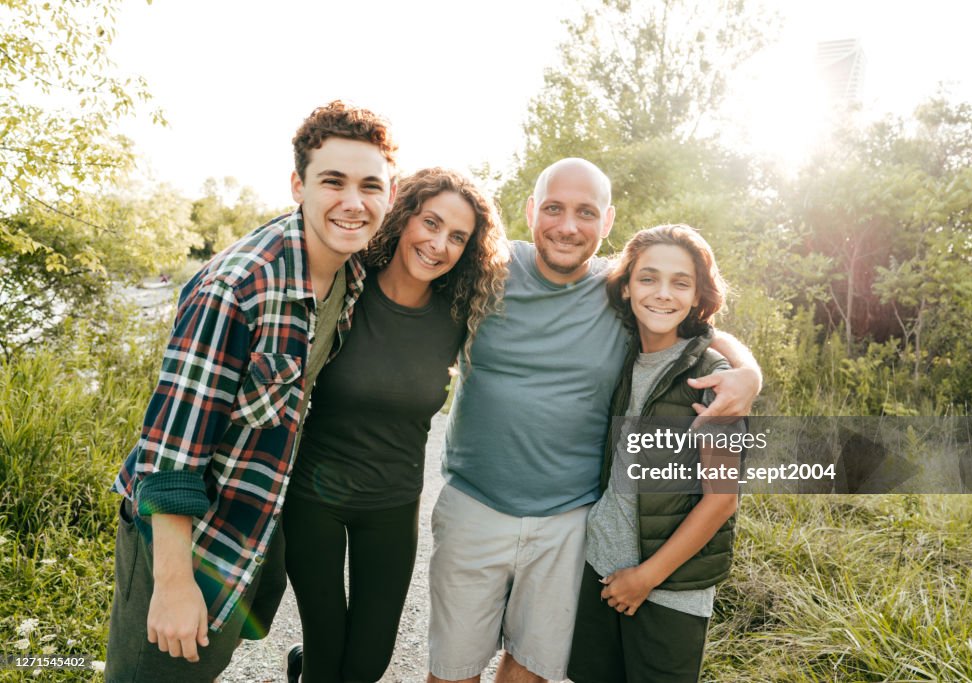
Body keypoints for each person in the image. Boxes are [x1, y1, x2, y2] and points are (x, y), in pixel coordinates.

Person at [428, 158, 761, 683]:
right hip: (475, 504)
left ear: (606, 223)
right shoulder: (487, 270)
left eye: (585, 212)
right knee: (452, 668)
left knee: (532, 667)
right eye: (554, 209)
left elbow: (693, 324)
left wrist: (748, 372)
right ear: (531, 210)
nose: (567, 226)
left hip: (568, 520)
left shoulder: (617, 286)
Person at [105, 101, 398, 682]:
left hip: (253, 525)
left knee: (204, 666)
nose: (353, 201)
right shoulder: (238, 287)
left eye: (371, 186)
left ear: (389, 196)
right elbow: (171, 449)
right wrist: (171, 583)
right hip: (185, 541)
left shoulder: (352, 271)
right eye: (332, 181)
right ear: (298, 185)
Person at [282, 168, 508, 682]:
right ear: (402, 216)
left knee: (367, 664)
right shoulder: (344, 286)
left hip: (392, 500)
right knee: (327, 651)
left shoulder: (459, 314)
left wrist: (734, 361)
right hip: (313, 497)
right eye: (430, 223)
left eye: (457, 237)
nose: (438, 244)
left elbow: (590, 284)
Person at [567, 224, 741, 683]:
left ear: (697, 294)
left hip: (670, 589)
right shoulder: (620, 354)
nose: (662, 294)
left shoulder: (714, 376)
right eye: (648, 278)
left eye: (680, 282)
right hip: (598, 567)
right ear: (626, 287)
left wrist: (646, 577)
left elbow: (722, 499)